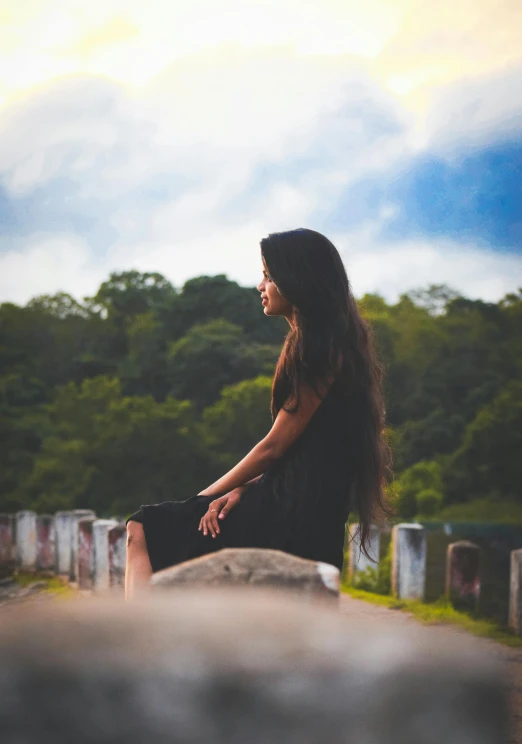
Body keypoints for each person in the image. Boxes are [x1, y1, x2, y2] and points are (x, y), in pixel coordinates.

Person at [125, 228, 394, 599]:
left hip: (295, 513)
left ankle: (133, 643)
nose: (260, 285)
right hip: (293, 500)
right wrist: (241, 489)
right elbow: (303, 449)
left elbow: (274, 448)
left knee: (142, 528)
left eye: (268, 275)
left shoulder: (319, 353)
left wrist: (202, 497)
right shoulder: (328, 347)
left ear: (296, 280)